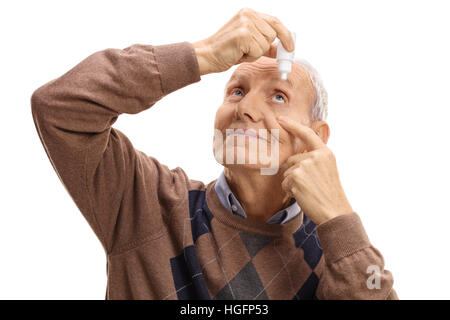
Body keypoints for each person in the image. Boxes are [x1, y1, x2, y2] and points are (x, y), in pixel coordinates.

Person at [31, 8, 397, 299]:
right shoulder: (147, 204)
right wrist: (202, 54)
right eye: (237, 91)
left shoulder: (337, 255)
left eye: (279, 96)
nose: (246, 108)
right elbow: (59, 107)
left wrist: (339, 217)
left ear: (315, 138)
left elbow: (376, 289)